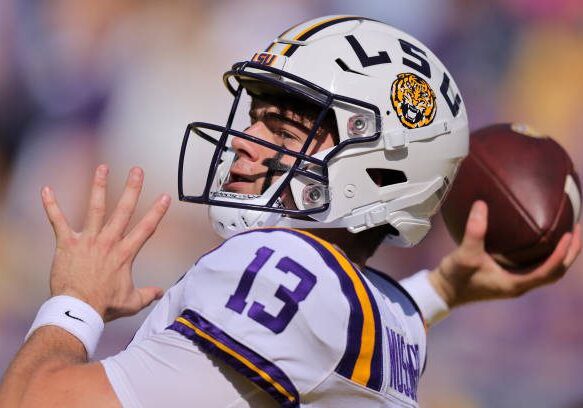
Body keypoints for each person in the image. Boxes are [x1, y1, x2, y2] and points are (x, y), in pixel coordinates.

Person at [0, 15, 580, 407]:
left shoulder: (271, 263)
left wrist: (73, 302)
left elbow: (31, 403)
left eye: (280, 127)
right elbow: (362, 319)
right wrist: (446, 289)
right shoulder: (391, 316)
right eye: (255, 117)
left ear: (378, 164)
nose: (245, 141)